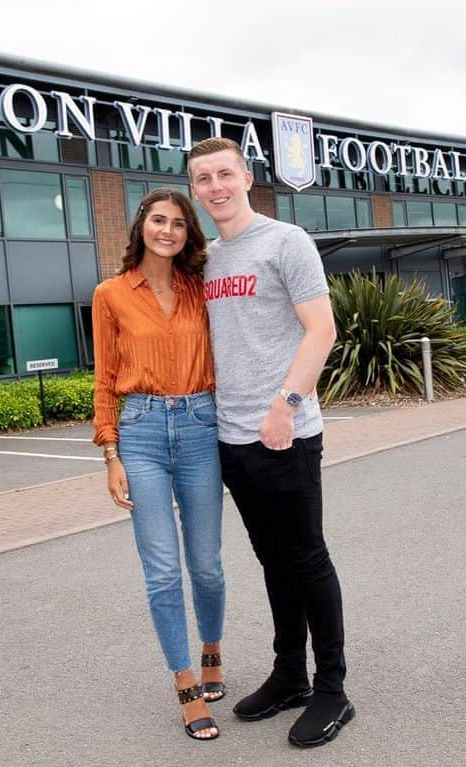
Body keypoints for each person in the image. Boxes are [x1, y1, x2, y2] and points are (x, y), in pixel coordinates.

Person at [187, 137, 354, 748]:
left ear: (247, 176)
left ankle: (332, 689)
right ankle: (290, 675)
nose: (214, 187)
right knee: (272, 561)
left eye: (223, 174)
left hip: (285, 433)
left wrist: (286, 405)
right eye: (202, 178)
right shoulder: (206, 259)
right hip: (230, 436)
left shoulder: (287, 242)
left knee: (306, 557)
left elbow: (322, 329)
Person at [91, 187, 226, 741]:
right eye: (157, 220)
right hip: (140, 430)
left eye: (176, 222)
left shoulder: (203, 290)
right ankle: (185, 680)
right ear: (140, 227)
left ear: (187, 232)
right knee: (163, 571)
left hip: (200, 426)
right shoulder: (110, 294)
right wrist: (110, 452)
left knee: (207, 566)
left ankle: (213, 646)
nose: (166, 230)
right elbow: (103, 376)